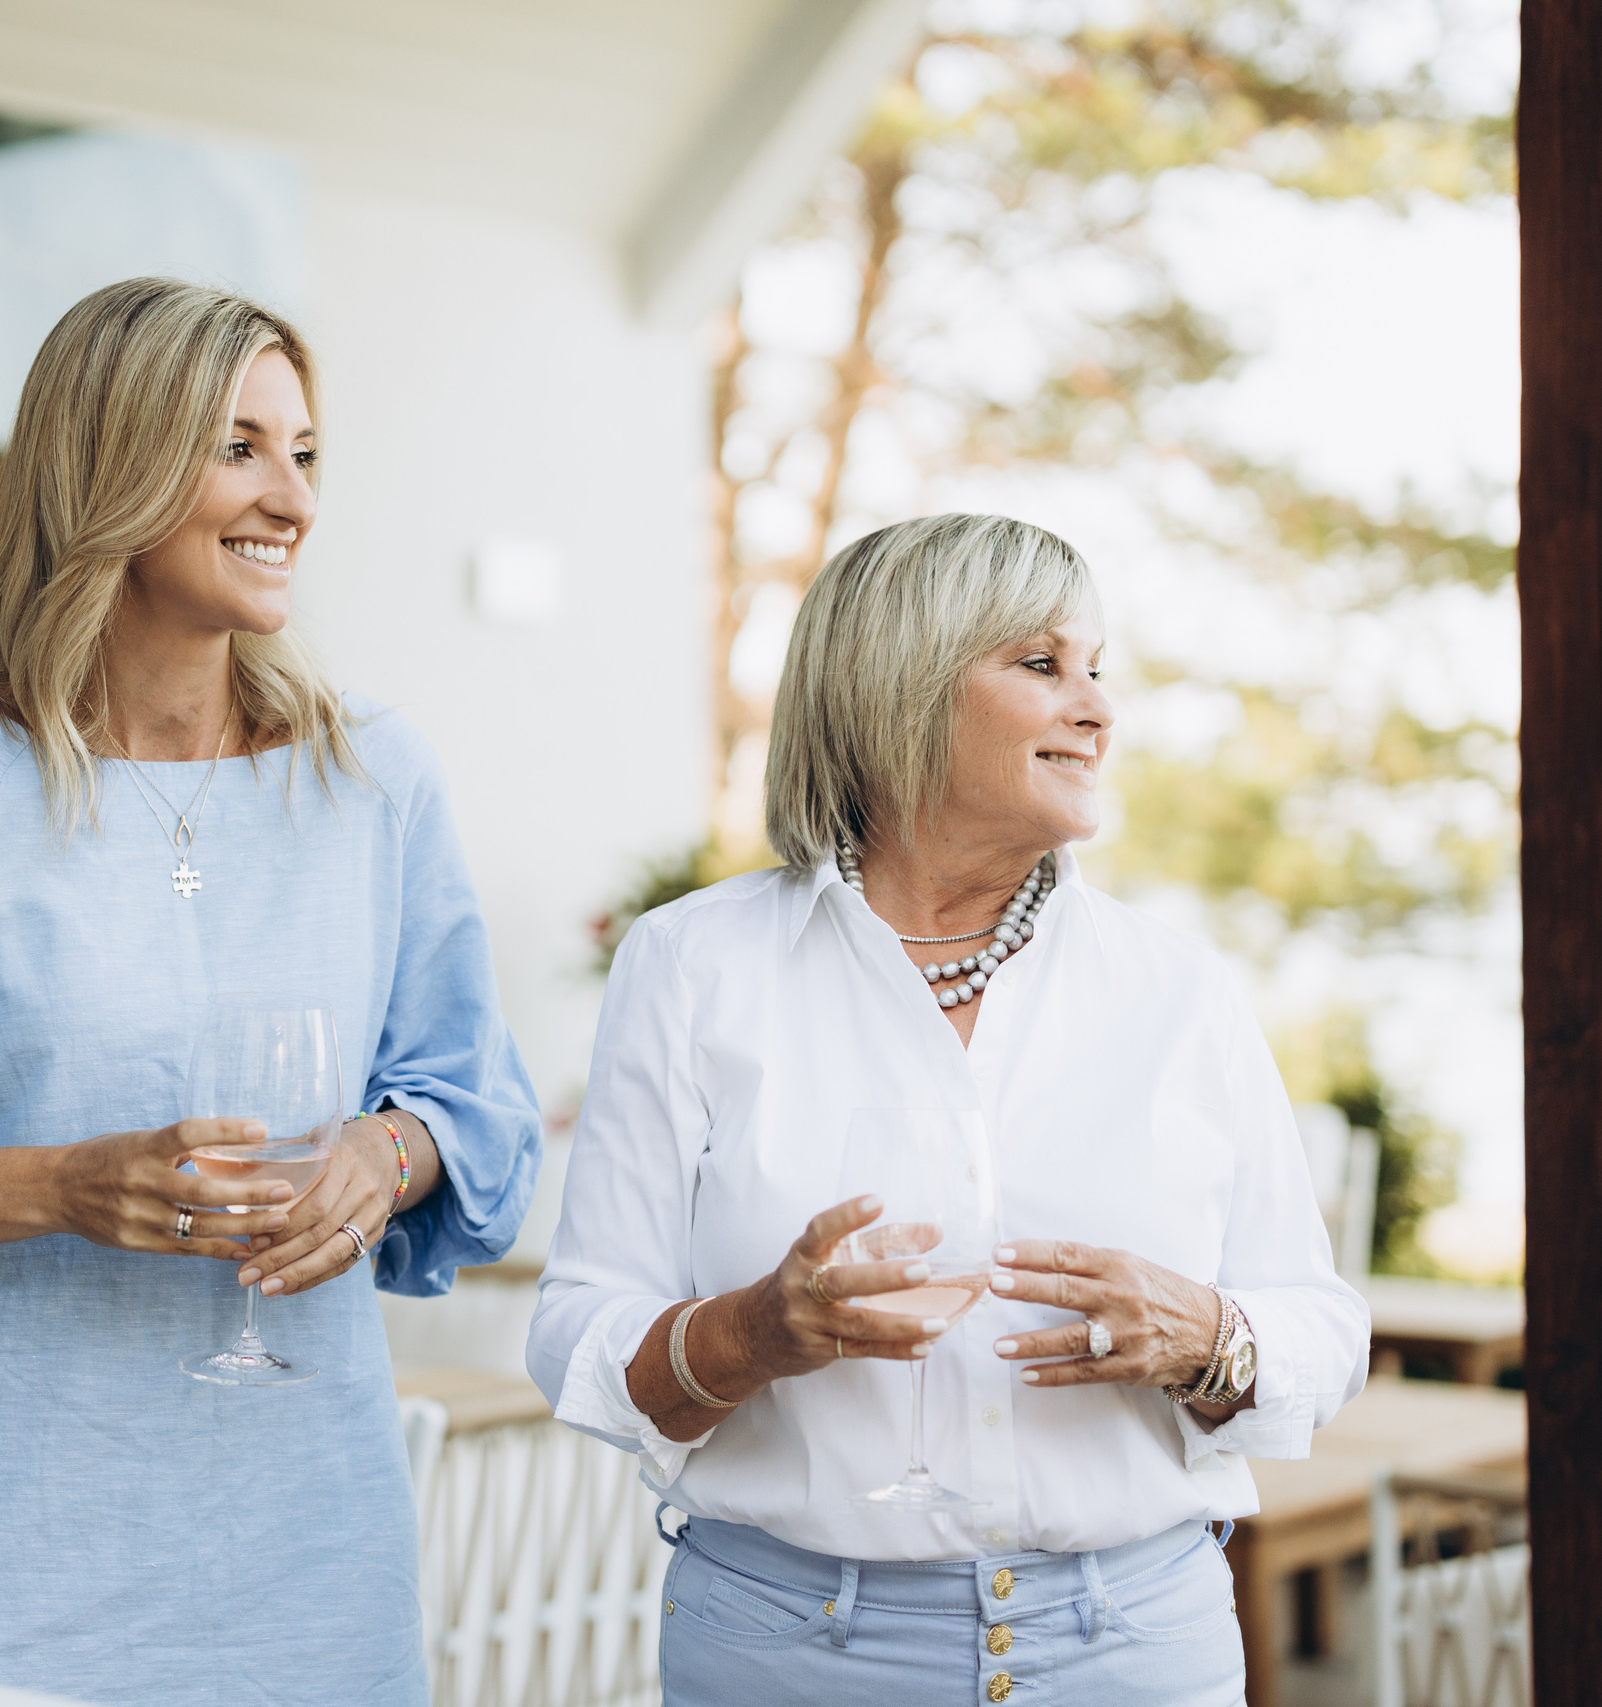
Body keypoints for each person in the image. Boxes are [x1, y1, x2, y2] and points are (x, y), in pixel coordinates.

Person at [0, 277, 542, 1701]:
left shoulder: (374, 780)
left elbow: (474, 1099)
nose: (291, 498)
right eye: (238, 446)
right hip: (8, 1538)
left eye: (305, 453)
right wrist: (61, 1186)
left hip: (309, 1537)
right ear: (108, 462)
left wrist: (388, 1147)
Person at [528, 514, 1369, 1705]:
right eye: (1041, 665)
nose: (1095, 708)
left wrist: (1208, 1339)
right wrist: (758, 1332)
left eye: (1097, 670)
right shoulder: (691, 965)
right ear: (899, 691)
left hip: (1134, 1648)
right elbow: (578, 1334)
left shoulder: (1176, 987)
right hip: (792, 1648)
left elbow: (1321, 1331)